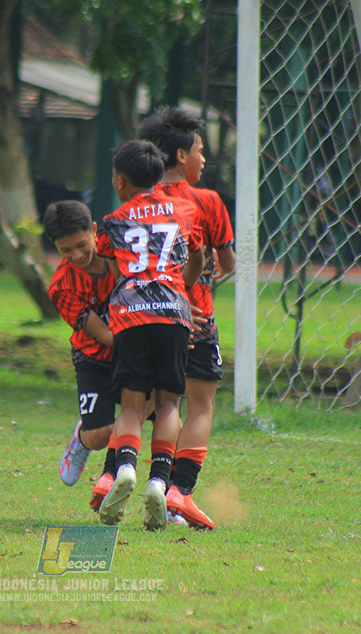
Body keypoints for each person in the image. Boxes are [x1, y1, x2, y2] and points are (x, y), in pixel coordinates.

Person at [95, 139, 204, 531]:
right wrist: (181, 291)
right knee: (170, 403)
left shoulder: (115, 218)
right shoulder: (185, 210)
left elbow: (106, 268)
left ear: (121, 182)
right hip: (174, 315)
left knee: (130, 406)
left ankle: (125, 467)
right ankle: (159, 481)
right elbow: (197, 259)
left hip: (130, 315)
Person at [139, 106, 235, 531]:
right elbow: (228, 262)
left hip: (144, 317)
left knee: (154, 403)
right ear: (181, 156)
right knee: (200, 403)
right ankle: (180, 492)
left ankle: (130, 472)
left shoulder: (138, 200)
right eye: (199, 151)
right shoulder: (208, 201)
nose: (203, 160)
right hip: (194, 319)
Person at [44, 200, 119, 507]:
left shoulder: (120, 250)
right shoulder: (61, 287)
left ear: (94, 231)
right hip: (94, 357)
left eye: (81, 245)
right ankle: (82, 438)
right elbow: (103, 334)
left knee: (156, 412)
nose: (76, 256)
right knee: (101, 434)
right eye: (65, 251)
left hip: (133, 350)